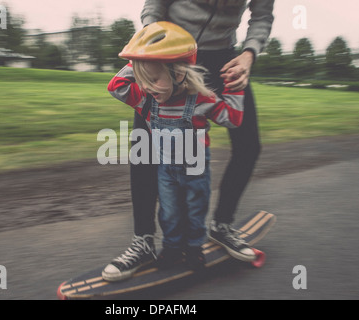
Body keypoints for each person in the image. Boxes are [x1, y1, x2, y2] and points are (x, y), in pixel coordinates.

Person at [103, 0, 275, 281]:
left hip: (224, 56)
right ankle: (144, 241)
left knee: (248, 146)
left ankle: (222, 225)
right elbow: (155, 4)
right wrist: (149, 50)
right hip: (169, 52)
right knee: (144, 150)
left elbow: (262, 14)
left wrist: (249, 54)